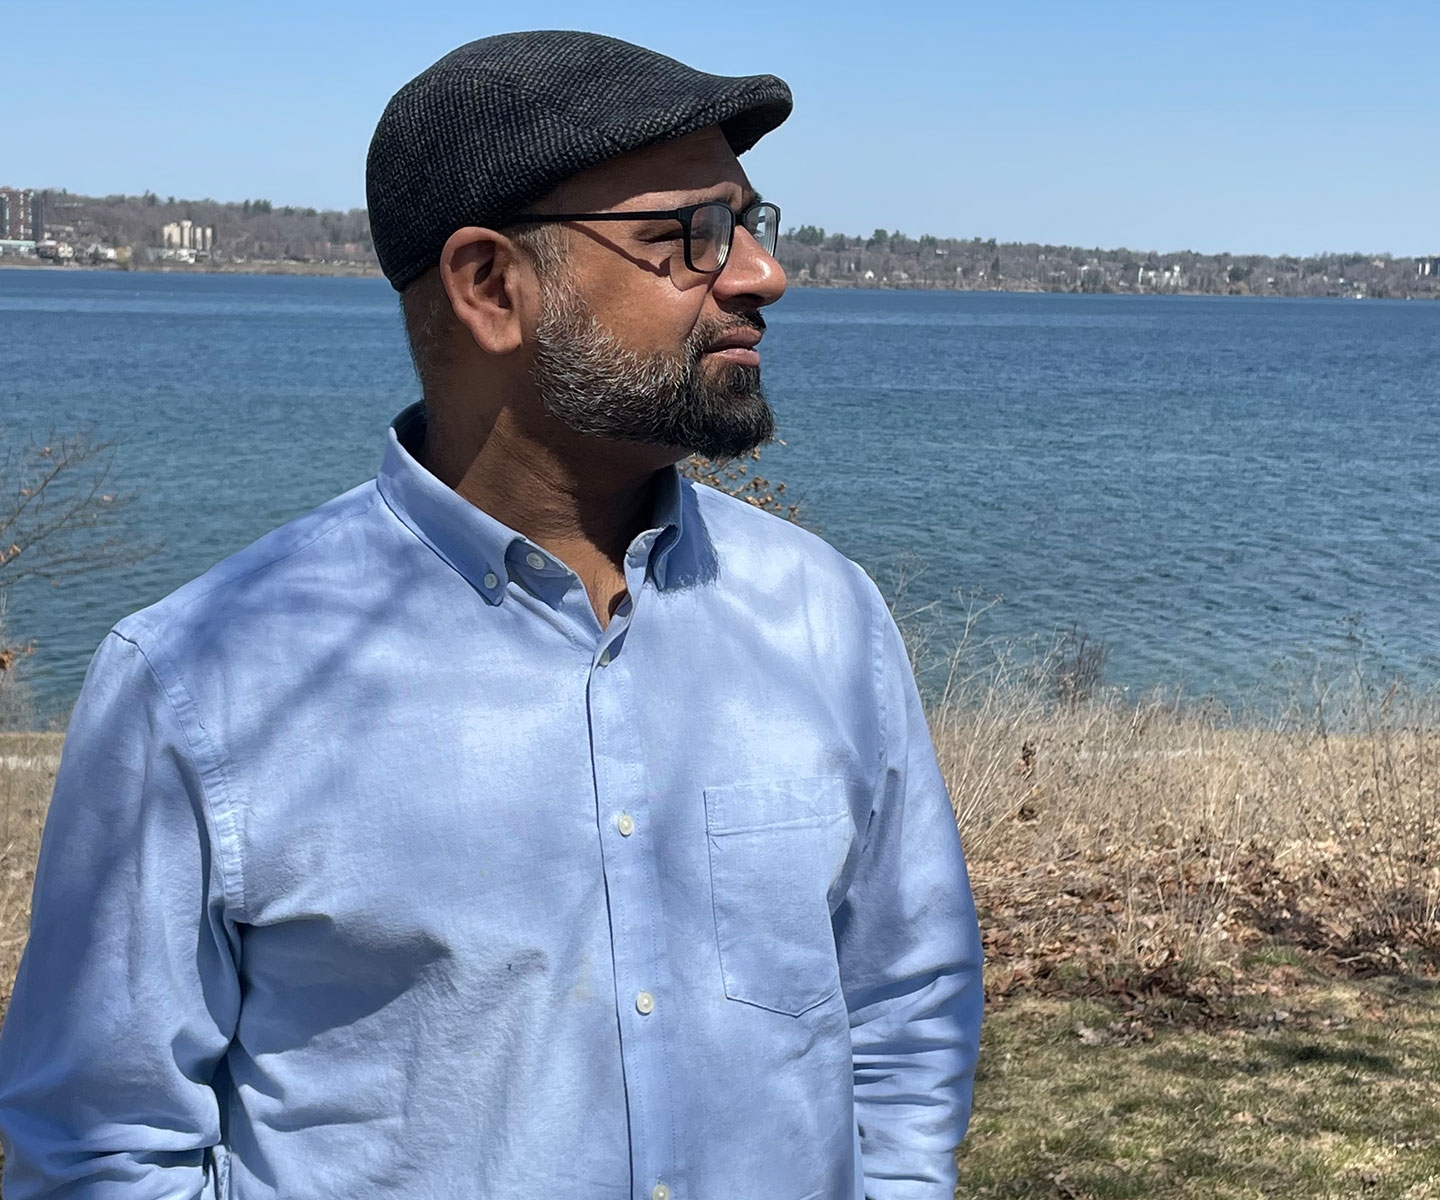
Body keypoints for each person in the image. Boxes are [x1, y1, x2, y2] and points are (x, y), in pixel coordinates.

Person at [0, 30, 983, 1200]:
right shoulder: (202, 684)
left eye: (755, 223)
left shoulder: (824, 617)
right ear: (490, 286)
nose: (761, 274)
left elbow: (905, 1003)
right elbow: (104, 1148)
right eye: (695, 236)